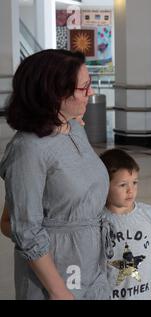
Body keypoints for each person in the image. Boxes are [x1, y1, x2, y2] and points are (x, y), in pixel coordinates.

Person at [0, 49, 110, 300]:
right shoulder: (28, 150)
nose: (90, 94)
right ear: (56, 94)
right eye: (84, 88)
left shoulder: (73, 129)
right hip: (57, 275)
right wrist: (60, 293)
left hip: (91, 265)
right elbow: (25, 230)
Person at [99, 148, 151, 300]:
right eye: (123, 185)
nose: (130, 190)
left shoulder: (149, 214)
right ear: (104, 185)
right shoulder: (98, 220)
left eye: (134, 183)